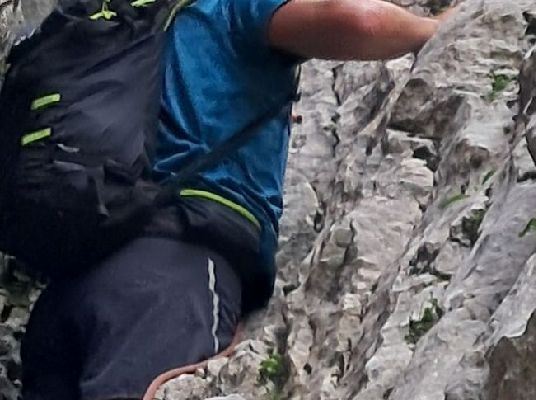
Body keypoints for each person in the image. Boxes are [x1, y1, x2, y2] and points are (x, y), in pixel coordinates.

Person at [19, 0, 454, 398]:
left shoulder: (127, 25)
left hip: (64, 296)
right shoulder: (226, 7)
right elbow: (358, 20)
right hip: (169, 280)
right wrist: (436, 28)